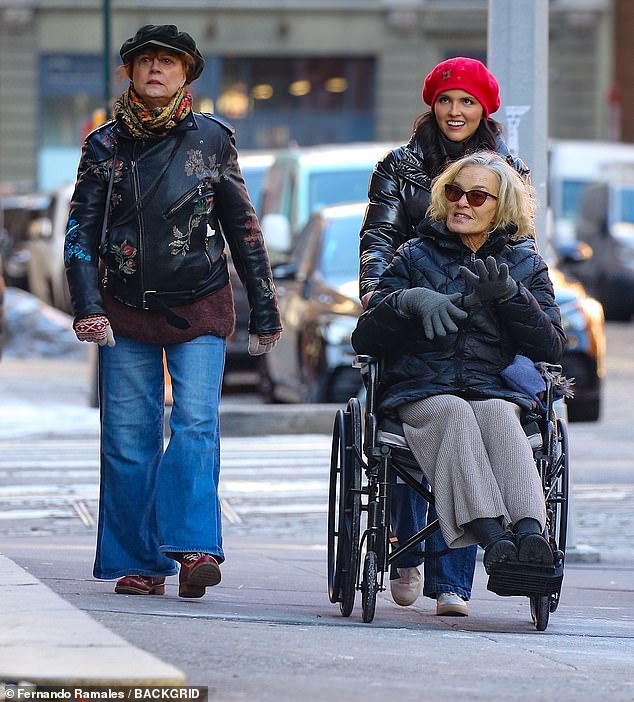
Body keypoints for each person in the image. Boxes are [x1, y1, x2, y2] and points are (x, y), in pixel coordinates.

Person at [64, 24, 282, 598]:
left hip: (200, 303)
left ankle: (192, 550)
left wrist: (264, 308)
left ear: (187, 74)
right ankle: (139, 561)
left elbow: (243, 227)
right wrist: (88, 306)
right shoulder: (103, 145)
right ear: (129, 74)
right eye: (145, 62)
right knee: (128, 437)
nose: (156, 69)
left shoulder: (213, 139)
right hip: (125, 306)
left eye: (169, 62)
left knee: (194, 426)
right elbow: (80, 233)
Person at [359, 56, 530, 616]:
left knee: (485, 413)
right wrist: (387, 297)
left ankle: (453, 582)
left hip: (483, 317)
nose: (456, 111)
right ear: (431, 105)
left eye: (468, 102)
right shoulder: (400, 166)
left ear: (485, 110)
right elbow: (379, 235)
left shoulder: (510, 167)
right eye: (446, 100)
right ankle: (405, 553)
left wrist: (511, 296)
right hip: (418, 306)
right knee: (426, 414)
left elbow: (522, 244)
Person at [352, 151, 565, 578]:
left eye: (477, 196)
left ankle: (530, 538)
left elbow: (551, 345)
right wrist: (406, 302)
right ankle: (496, 542)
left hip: (493, 388)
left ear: (501, 206)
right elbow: (366, 338)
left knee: (500, 415)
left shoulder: (525, 264)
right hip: (420, 390)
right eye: (454, 191)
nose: (462, 203)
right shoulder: (413, 256)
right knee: (453, 411)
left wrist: (512, 297)